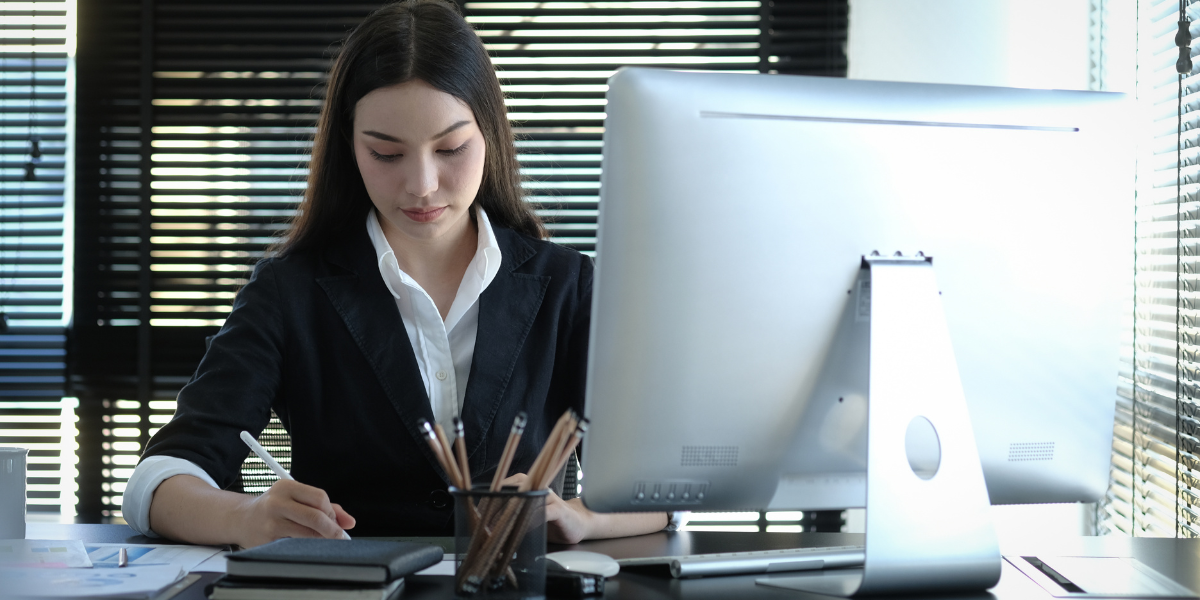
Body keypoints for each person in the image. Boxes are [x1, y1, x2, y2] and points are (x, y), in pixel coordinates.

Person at [122, 0, 670, 548]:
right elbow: (157, 482)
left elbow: (658, 490)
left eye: (451, 147)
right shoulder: (289, 292)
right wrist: (244, 518)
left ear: (490, 136)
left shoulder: (568, 286)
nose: (422, 184)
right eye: (386, 154)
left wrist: (583, 518)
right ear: (350, 149)